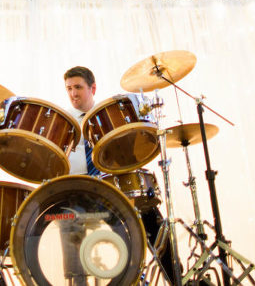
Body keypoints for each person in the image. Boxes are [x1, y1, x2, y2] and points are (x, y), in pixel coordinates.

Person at [63, 66, 176, 283]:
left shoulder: (109, 116)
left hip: (113, 190)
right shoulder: (63, 122)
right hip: (82, 193)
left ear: (92, 88)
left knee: (149, 212)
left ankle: (174, 276)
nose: (73, 94)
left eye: (78, 87)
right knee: (66, 218)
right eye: (69, 88)